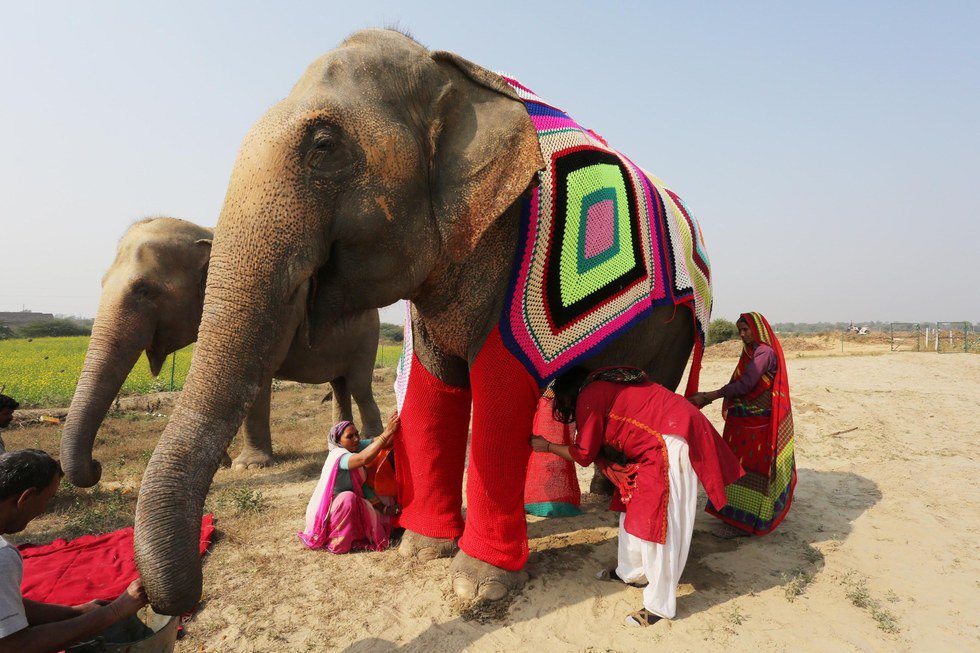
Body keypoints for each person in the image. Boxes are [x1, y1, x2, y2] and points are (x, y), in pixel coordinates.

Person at [531, 367, 743, 627]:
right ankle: (631, 573)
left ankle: (660, 606)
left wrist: (547, 446)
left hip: (670, 441)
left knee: (659, 523)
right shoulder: (599, 384)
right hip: (662, 436)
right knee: (631, 504)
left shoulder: (589, 396)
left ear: (569, 393)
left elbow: (584, 454)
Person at [0, 449, 147, 653]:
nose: (44, 509)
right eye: (48, 499)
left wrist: (75, 612)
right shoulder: (3, 557)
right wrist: (115, 611)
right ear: (26, 497)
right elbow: (15, 646)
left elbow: (7, 604)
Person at [689, 312, 796, 536]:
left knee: (751, 467)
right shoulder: (751, 351)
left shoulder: (764, 352)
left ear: (757, 329)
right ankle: (736, 515)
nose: (742, 334)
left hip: (756, 423)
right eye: (740, 330)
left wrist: (709, 396)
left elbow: (745, 385)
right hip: (744, 420)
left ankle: (749, 520)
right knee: (737, 464)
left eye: (746, 329)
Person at [299, 414, 402, 553]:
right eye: (350, 436)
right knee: (347, 497)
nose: (356, 439)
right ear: (338, 441)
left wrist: (398, 422)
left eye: (357, 434)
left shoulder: (355, 446)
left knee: (381, 492)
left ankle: (357, 537)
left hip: (348, 509)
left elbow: (383, 442)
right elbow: (364, 458)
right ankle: (337, 542)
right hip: (330, 514)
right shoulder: (338, 456)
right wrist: (387, 432)